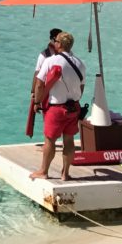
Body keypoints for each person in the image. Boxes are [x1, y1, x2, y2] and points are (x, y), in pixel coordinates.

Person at [30, 31, 85, 181]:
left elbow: (40, 84)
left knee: (50, 140)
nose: (54, 43)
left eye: (56, 41)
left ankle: (44, 171)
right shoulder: (80, 63)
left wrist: (37, 102)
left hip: (56, 108)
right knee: (69, 140)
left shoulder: (50, 61)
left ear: (59, 44)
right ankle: (65, 173)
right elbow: (81, 88)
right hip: (74, 108)